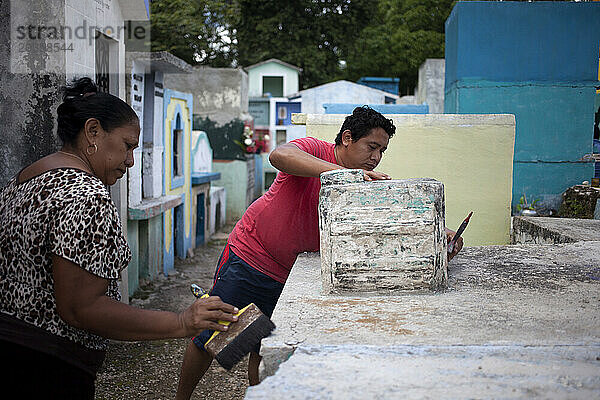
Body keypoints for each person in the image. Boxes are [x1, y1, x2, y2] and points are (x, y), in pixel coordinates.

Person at [175, 106, 464, 399]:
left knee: (264, 348)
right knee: (212, 335)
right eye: (372, 147)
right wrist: (345, 175)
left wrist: (440, 231)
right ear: (348, 138)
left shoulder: (365, 179)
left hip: (291, 276)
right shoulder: (316, 150)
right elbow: (279, 156)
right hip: (251, 257)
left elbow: (395, 212)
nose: (375, 157)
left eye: (382, 151)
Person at [0, 77, 239, 399]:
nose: (130, 161)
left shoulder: (25, 178)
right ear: (93, 131)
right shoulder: (85, 194)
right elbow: (81, 309)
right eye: (127, 146)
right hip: (49, 363)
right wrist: (182, 322)